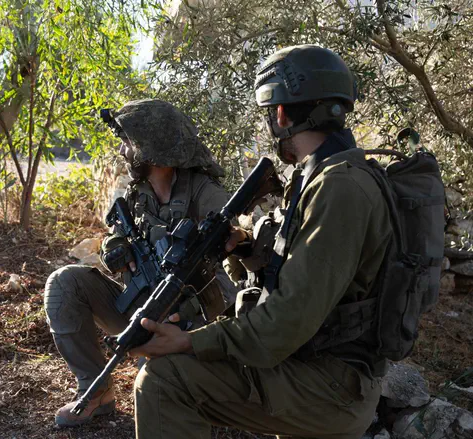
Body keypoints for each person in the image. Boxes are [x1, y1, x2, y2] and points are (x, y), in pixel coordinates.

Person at [131, 45, 391, 438]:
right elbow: (303, 264)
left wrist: (189, 342)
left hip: (329, 384)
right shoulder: (323, 174)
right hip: (315, 365)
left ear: (281, 113)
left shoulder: (339, 188)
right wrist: (247, 246)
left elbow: (282, 326)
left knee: (163, 380)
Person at [44, 99, 235, 427]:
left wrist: (186, 316)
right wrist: (114, 248)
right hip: (140, 308)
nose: (123, 152)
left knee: (154, 383)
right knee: (64, 283)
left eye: (129, 143)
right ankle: (96, 391)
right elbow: (115, 241)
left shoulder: (207, 196)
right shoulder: (137, 195)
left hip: (192, 325)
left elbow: (232, 278)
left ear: (153, 148)